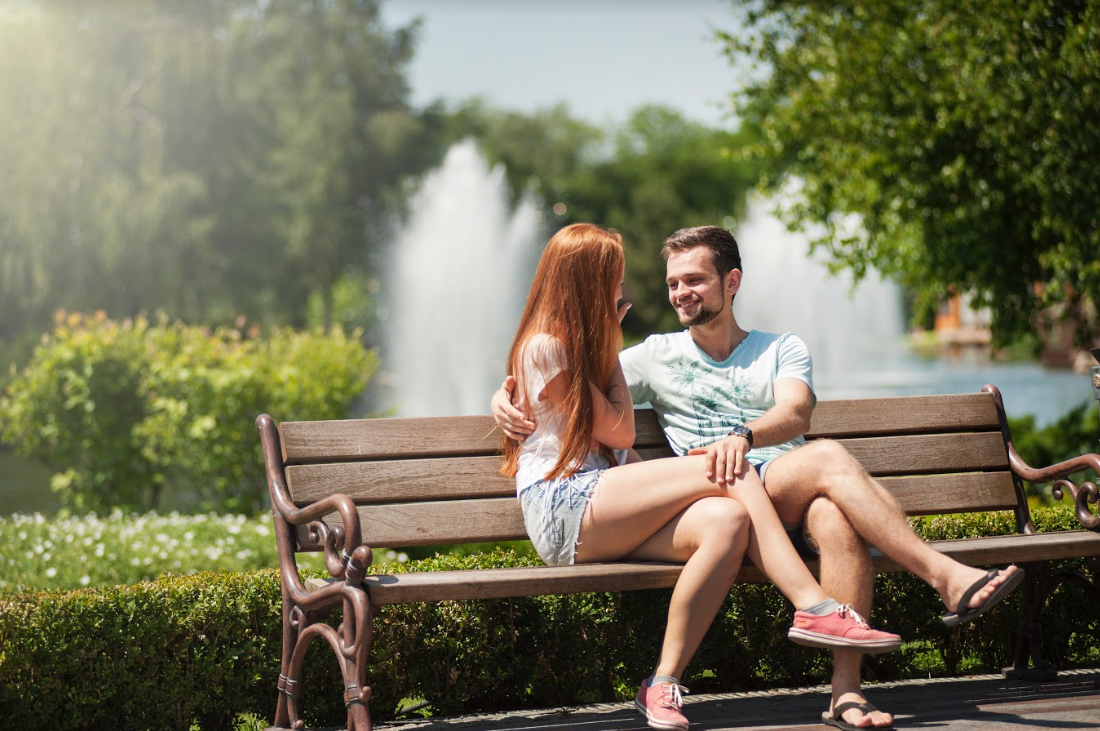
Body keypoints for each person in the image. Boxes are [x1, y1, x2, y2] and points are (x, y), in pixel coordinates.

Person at [494, 225, 1024, 731]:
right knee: (764, 468)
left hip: (768, 483)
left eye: (694, 280)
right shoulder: (652, 355)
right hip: (720, 481)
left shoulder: (781, 347)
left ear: (732, 281)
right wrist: (501, 399)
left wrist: (742, 434)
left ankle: (845, 693)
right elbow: (558, 384)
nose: (679, 293)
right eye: (672, 282)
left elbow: (796, 415)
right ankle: (931, 580)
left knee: (827, 511)